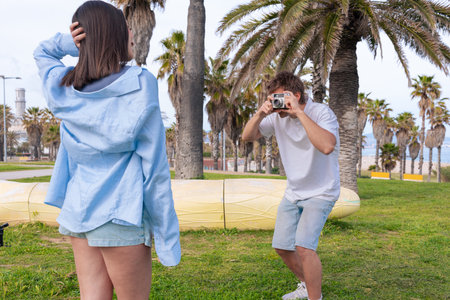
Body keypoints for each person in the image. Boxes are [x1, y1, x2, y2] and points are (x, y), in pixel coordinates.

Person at [33, 1, 181, 299]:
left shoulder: (62, 87)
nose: (132, 34)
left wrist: (70, 42)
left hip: (79, 212)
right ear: (112, 34)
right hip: (121, 215)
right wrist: (167, 237)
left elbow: (43, 52)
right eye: (126, 28)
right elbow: (154, 171)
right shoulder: (140, 85)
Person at [242, 71, 340, 300]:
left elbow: (327, 146)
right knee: (282, 246)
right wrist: (260, 113)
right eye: (273, 100)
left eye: (281, 99)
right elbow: (247, 136)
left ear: (296, 95)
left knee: (304, 247)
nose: (278, 106)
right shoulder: (277, 117)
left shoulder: (321, 112)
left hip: (322, 191)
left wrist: (298, 112)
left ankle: (316, 298)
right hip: (294, 191)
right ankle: (307, 284)